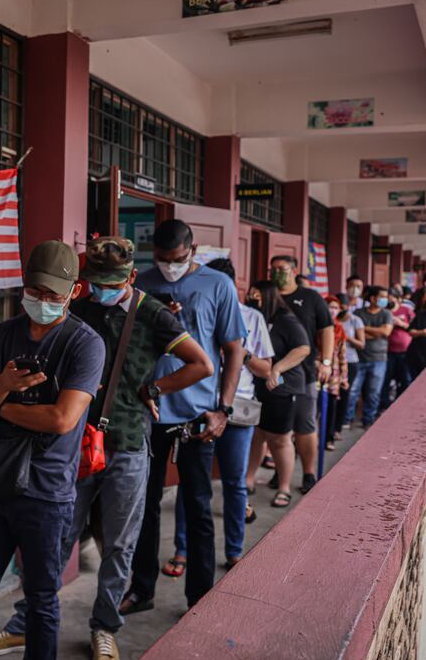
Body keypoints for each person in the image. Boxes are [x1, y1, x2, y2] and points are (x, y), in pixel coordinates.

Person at [0, 237, 212, 660]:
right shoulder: (81, 307)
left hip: (126, 443)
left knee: (120, 544)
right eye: (92, 282)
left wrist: (154, 387)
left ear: (130, 277)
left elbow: (202, 364)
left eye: (109, 283)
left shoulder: (153, 315)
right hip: (71, 443)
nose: (99, 290)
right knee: (56, 537)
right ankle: (24, 624)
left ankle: (105, 627)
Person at [0, 240, 105, 660]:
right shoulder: (3, 335)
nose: (43, 301)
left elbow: (62, 420)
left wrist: (1, 403)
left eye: (53, 295)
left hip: (47, 491)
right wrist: (2, 386)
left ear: (74, 291)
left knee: (40, 600)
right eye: (35, 292)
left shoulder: (85, 344)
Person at [121, 220, 246, 612]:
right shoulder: (141, 282)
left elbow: (234, 350)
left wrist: (222, 408)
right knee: (145, 506)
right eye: (161, 259)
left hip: (197, 415)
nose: (168, 266)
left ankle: (199, 597)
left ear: (191, 250)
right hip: (148, 412)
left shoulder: (217, 285)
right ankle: (142, 589)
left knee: (197, 506)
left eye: (175, 260)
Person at [165, 257, 274, 573]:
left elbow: (267, 369)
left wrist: (239, 351)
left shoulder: (252, 318)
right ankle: (182, 550)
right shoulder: (192, 312)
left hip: (236, 408)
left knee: (234, 482)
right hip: (196, 406)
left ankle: (234, 550)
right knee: (192, 481)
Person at [268, 255, 334, 494]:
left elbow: (327, 330)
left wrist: (326, 362)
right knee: (276, 428)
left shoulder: (310, 298)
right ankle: (280, 471)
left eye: (282, 269)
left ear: (294, 270)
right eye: (273, 269)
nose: (277, 273)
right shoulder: (268, 297)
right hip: (271, 375)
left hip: (304, 374)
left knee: (304, 425)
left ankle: (308, 473)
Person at [244, 281, 311, 508]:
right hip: (259, 385)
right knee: (258, 434)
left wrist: (277, 369)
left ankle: (284, 487)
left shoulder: (285, 319)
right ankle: (249, 480)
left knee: (281, 439)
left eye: (257, 295)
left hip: (284, 384)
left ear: (268, 296)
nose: (253, 298)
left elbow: (303, 348)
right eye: (250, 294)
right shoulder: (256, 317)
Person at [344, 286, 393, 428]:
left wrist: (363, 329)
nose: (385, 300)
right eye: (382, 296)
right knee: (353, 390)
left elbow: (386, 332)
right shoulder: (358, 313)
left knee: (374, 392)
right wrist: (374, 333)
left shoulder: (386, 314)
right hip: (358, 358)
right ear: (372, 298)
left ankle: (368, 419)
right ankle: (347, 419)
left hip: (379, 359)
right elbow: (354, 334)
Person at [322, 294, 349, 451]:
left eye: (335, 308)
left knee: (332, 406)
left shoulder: (340, 329)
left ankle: (328, 438)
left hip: (334, 374)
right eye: (329, 307)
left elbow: (342, 356)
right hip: (317, 371)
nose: (332, 310)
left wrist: (344, 378)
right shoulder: (316, 325)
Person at [334, 295, 365, 434]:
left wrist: (346, 337)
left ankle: (339, 426)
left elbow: (361, 344)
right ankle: (329, 428)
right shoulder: (330, 320)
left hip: (350, 361)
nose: (341, 309)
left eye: (342, 306)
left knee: (345, 393)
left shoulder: (355, 320)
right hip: (333, 362)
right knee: (331, 396)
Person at [380, 287, 414, 409]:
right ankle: (384, 404)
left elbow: (413, 327)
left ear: (398, 299)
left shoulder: (406, 310)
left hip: (405, 351)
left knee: (405, 379)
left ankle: (401, 403)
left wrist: (401, 323)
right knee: (385, 379)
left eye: (391, 297)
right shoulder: (383, 311)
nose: (389, 300)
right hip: (387, 351)